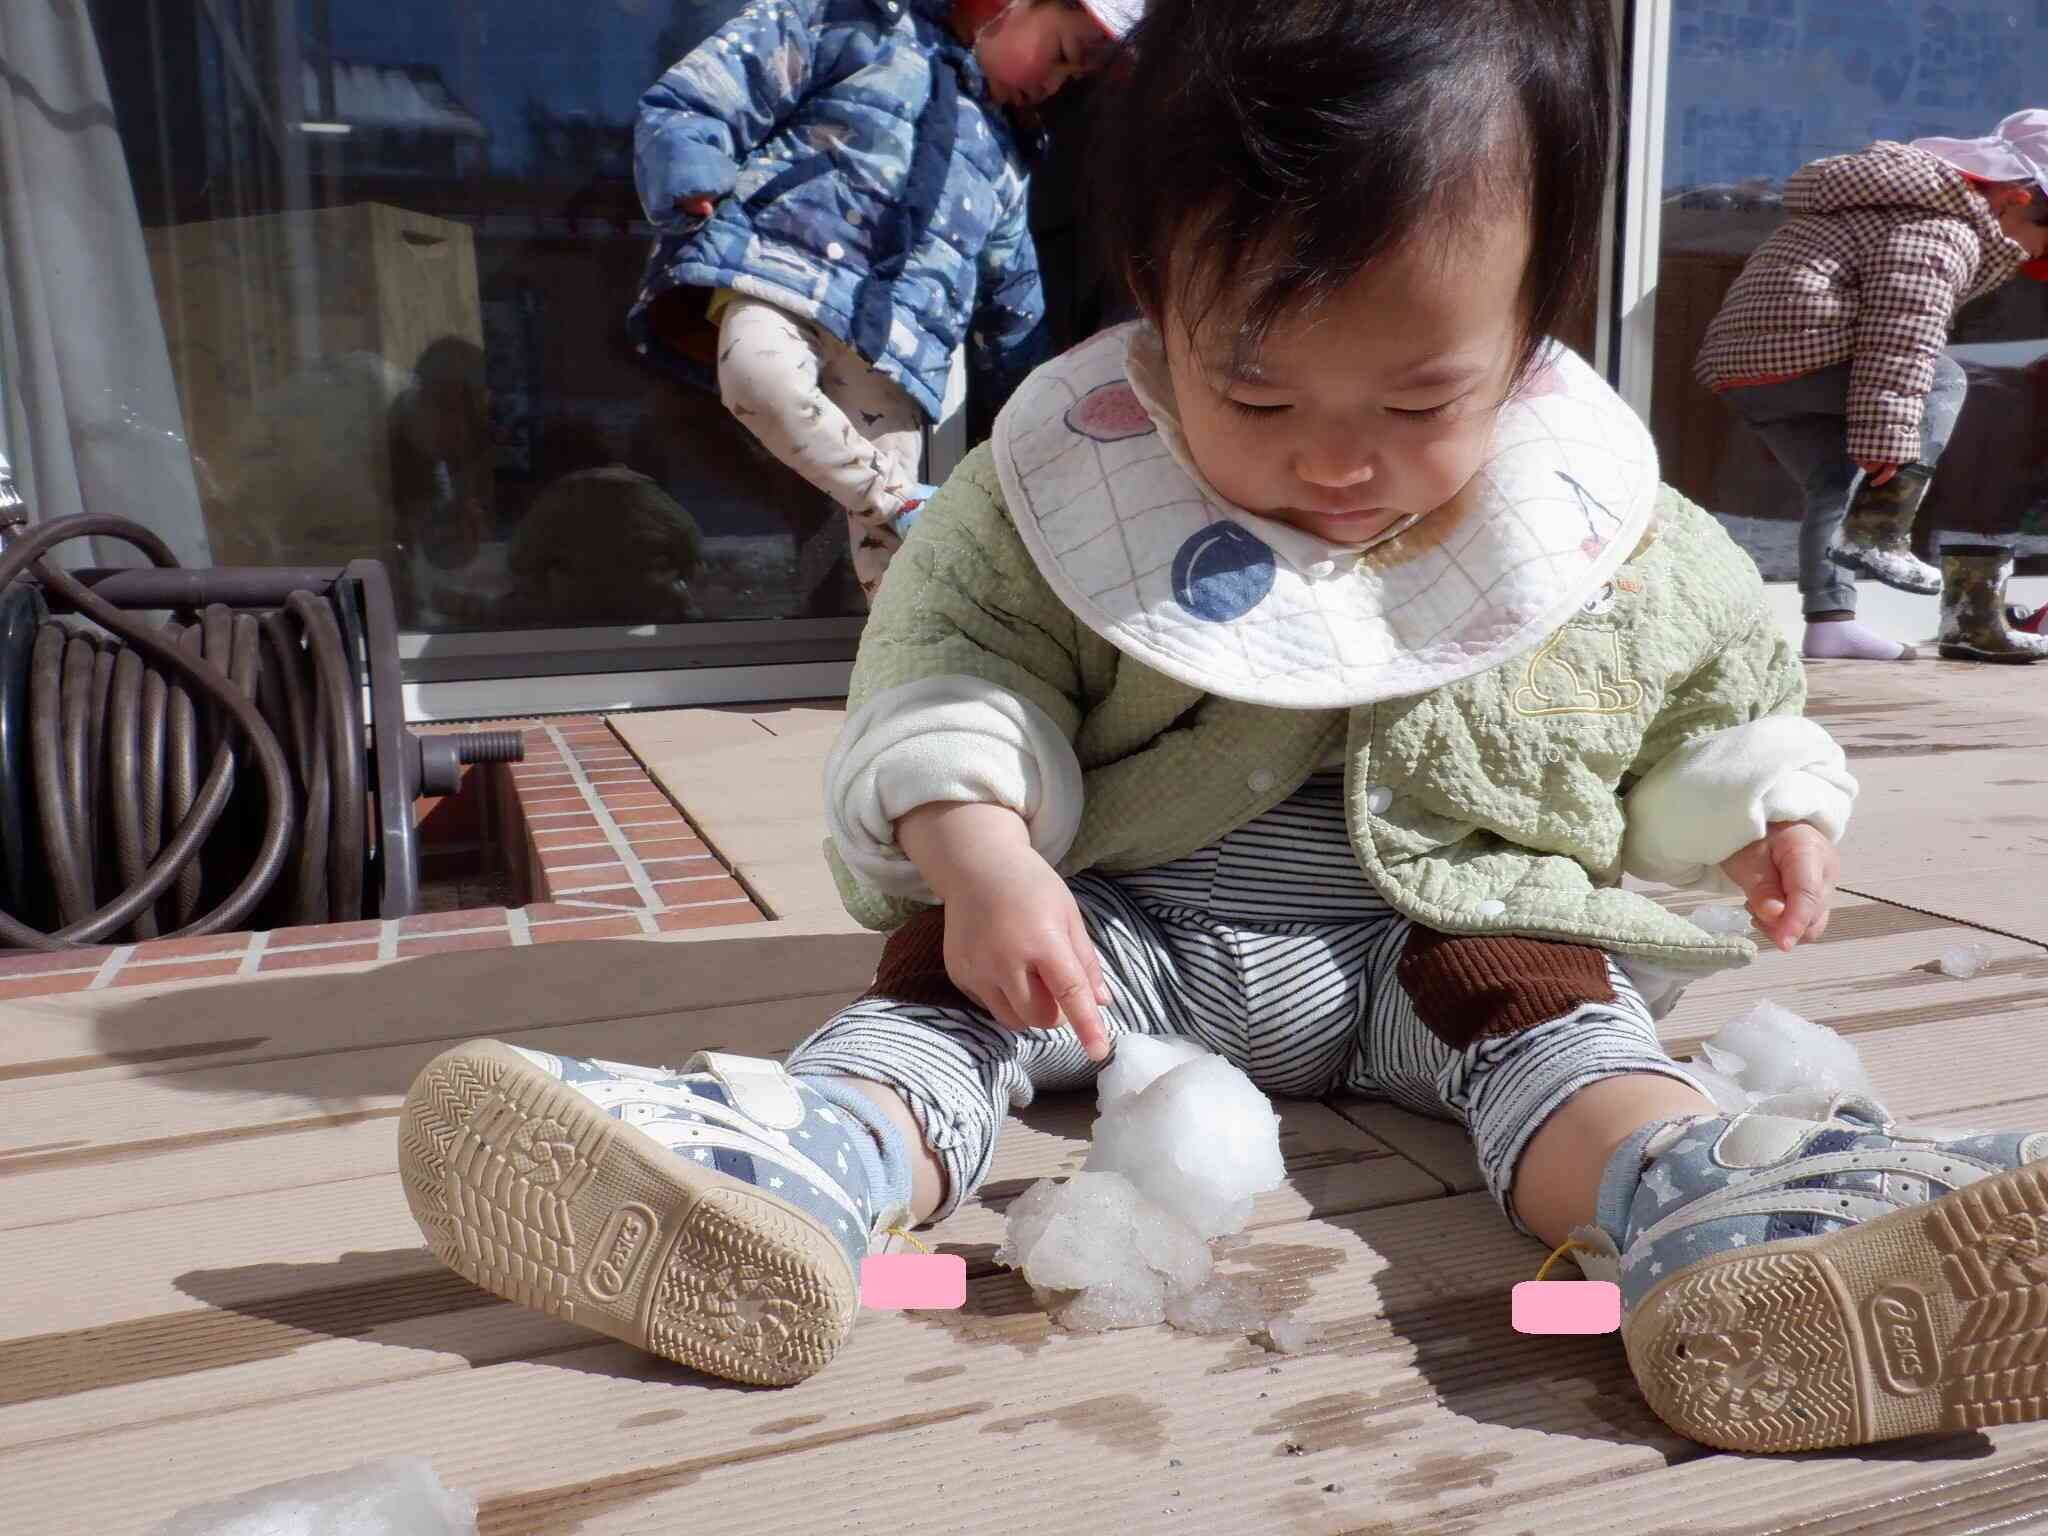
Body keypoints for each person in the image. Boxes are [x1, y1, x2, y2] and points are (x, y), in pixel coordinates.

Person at [400, 0, 2048, 1454]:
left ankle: (1701, 1212)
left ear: (1530, 344)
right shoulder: (1069, 483)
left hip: (1438, 933)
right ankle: (808, 1169)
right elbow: (953, 658)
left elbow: (1703, 681)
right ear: (1151, 311)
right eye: (1252, 396)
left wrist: (1762, 798)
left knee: (1569, 1033)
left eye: (1416, 402)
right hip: (1123, 932)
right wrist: (976, 851)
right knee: (946, 995)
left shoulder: (1591, 511)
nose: (1334, 460)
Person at [627, 0, 1134, 607]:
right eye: (1060, 56)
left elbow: (1013, 284)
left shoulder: (1007, 153)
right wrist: (690, 161)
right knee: (756, 379)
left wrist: (1040, 387)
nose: (1053, 86)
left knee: (890, 554)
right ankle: (906, 503)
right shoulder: (861, 22)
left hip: (894, 349)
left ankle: (904, 674)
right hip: (785, 274)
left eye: (1070, 80)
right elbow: (721, 79)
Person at [1697, 110, 2048, 662]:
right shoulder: (1942, 231)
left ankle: (1831, 623)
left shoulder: (1889, 207)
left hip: (1747, 368)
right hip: (1802, 349)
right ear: (2015, 201)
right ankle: (1882, 531)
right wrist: (1892, 448)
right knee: (1941, 377)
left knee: (1838, 483)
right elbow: (1900, 341)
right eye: (2037, 245)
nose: (2029, 257)